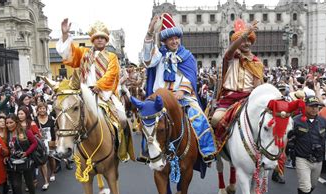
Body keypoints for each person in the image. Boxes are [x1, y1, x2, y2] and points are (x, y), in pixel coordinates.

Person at [141, 13, 216, 162]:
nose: (174, 41)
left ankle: (207, 152)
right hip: (160, 98)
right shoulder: (159, 54)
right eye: (171, 39)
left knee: (199, 117)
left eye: (176, 38)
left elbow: (191, 76)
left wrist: (182, 91)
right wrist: (150, 32)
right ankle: (147, 152)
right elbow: (147, 59)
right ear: (165, 41)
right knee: (147, 118)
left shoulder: (187, 56)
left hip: (182, 96)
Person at [57, 18, 132, 162]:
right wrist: (65, 35)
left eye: (102, 38)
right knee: (71, 118)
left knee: (123, 119)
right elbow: (68, 54)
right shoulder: (84, 53)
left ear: (106, 40)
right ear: (93, 40)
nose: (99, 40)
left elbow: (112, 74)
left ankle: (122, 150)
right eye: (97, 38)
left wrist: (99, 86)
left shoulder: (112, 56)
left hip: (105, 96)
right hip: (85, 96)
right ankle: (71, 148)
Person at [211, 19, 263, 129]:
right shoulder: (231, 57)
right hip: (228, 99)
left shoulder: (256, 62)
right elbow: (230, 50)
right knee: (215, 120)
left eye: (249, 40)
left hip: (247, 99)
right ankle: (218, 146)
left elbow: (257, 86)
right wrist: (244, 35)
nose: (247, 43)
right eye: (244, 40)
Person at [5, 114, 38, 194]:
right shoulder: (7, 135)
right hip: (14, 163)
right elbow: (7, 148)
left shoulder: (25, 131)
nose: (9, 125)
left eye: (11, 122)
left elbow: (34, 143)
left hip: (26, 161)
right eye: (7, 123)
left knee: (29, 182)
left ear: (16, 122)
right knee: (16, 184)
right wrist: (6, 156)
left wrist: (26, 153)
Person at [35, 102, 55, 188]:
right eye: (40, 108)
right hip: (40, 143)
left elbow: (55, 130)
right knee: (42, 161)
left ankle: (53, 172)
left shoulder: (51, 119)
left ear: (46, 109)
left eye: (43, 108)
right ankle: (45, 181)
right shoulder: (35, 120)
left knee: (51, 158)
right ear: (37, 110)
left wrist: (55, 140)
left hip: (50, 141)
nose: (42, 110)